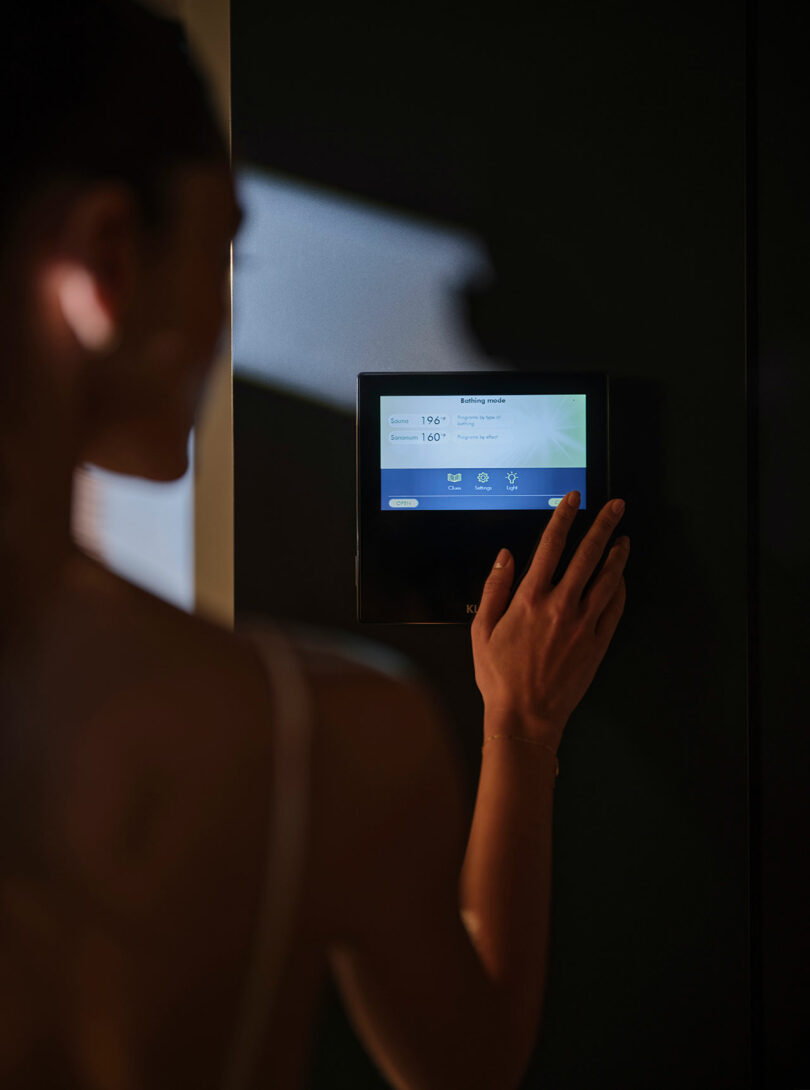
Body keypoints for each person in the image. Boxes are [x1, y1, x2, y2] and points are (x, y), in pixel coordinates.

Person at [0, 2, 629, 1087]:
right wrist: (521, 730)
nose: (224, 314)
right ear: (109, 257)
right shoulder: (331, 738)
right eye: (226, 253)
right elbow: (466, 1066)